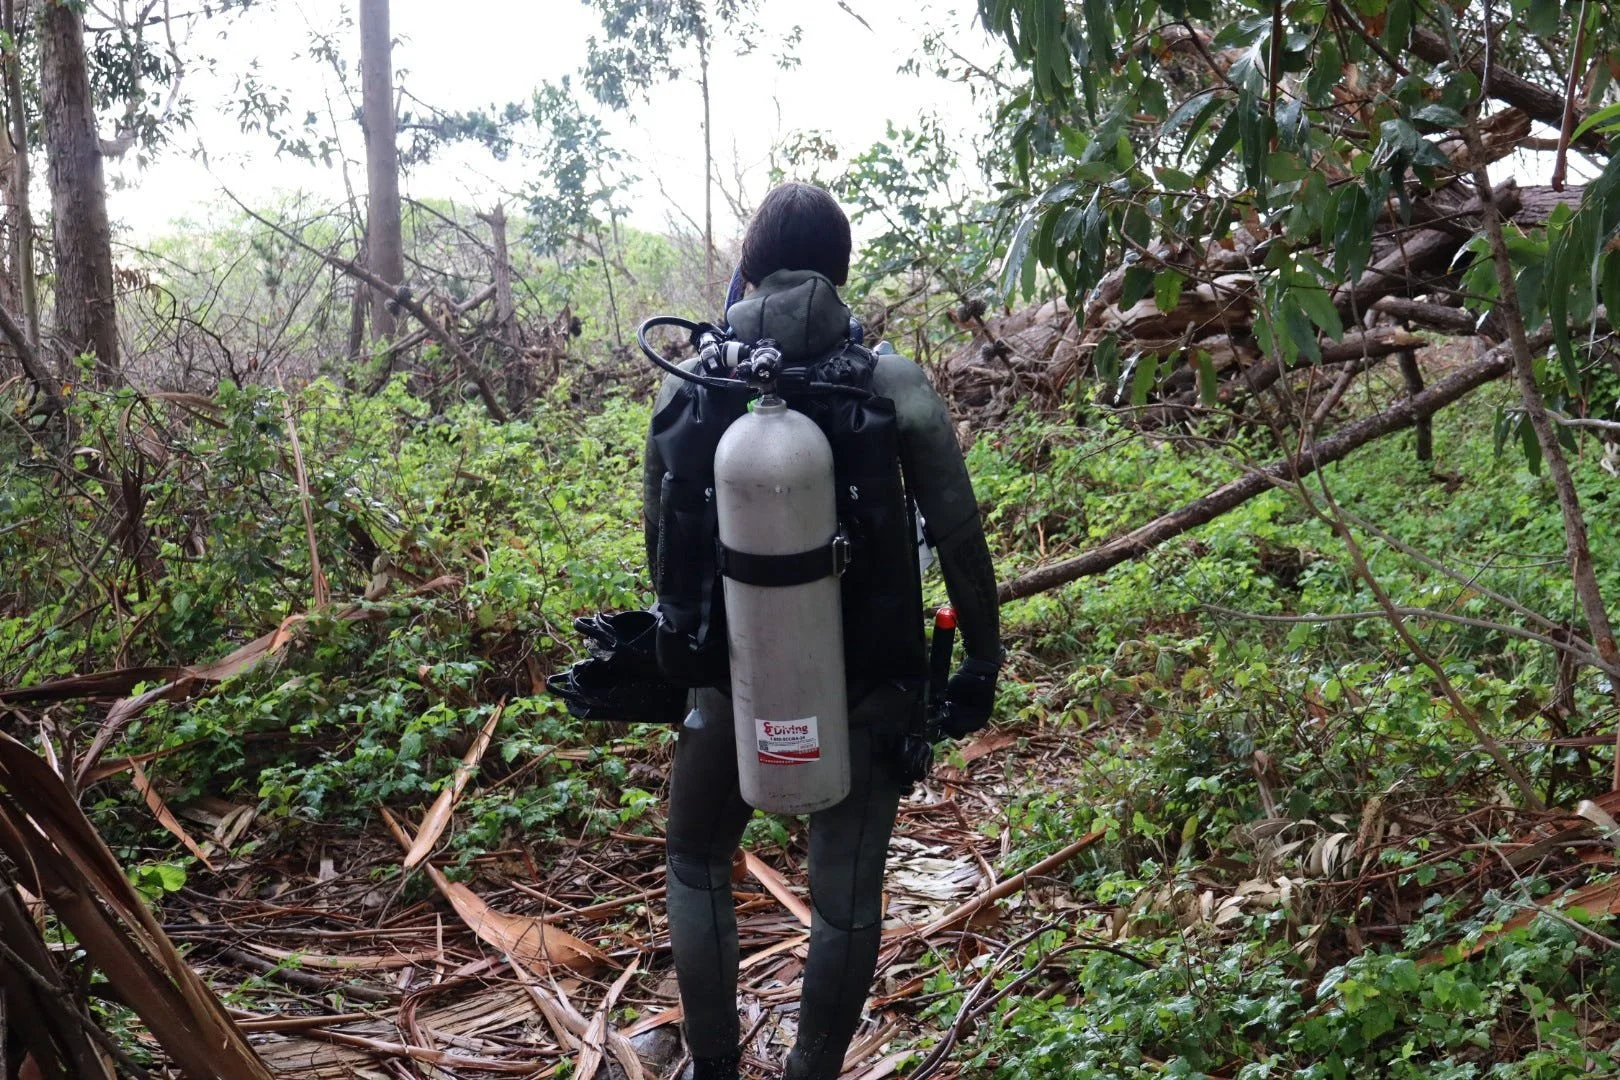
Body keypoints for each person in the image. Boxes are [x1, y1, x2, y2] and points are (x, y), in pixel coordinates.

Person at [642, 182, 1003, 1080]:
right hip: (870, 690)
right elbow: (961, 540)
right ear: (840, 273)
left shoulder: (696, 377)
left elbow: (662, 544)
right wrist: (980, 667)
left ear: (749, 266)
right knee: (844, 906)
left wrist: (688, 665)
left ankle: (714, 1068)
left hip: (733, 684)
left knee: (695, 860)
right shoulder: (891, 381)